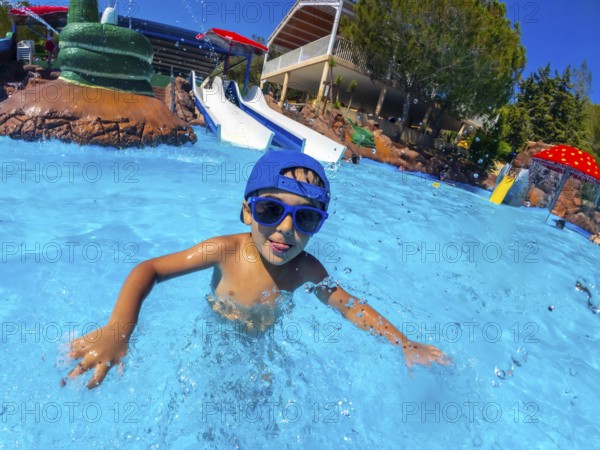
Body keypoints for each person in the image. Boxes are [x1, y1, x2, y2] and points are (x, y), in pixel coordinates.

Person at [66, 151, 449, 388]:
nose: (285, 228)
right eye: (270, 210)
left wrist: (404, 342)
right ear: (248, 210)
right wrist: (117, 332)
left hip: (260, 349)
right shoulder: (224, 250)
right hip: (216, 336)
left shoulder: (306, 269)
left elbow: (350, 306)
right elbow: (147, 270)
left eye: (306, 219)